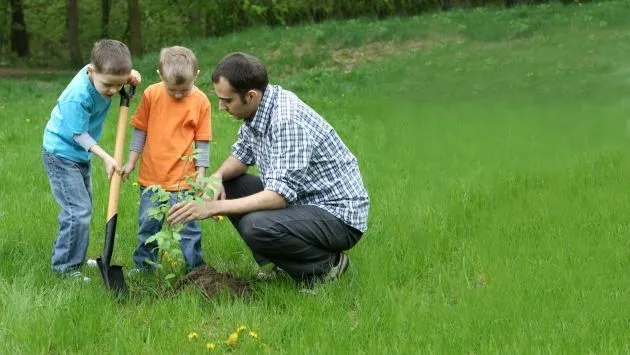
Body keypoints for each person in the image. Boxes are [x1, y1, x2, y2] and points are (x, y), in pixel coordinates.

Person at [167, 52, 369, 284]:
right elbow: (242, 155)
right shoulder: (260, 109)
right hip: (304, 202)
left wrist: (213, 207)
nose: (221, 107)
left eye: (227, 100)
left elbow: (279, 197)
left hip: (337, 216)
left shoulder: (287, 121)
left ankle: (326, 266)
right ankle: (288, 264)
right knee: (230, 183)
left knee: (255, 225)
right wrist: (216, 177)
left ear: (251, 96)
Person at [42, 39, 141, 281]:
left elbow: (118, 75)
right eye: (108, 85)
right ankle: (64, 268)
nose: (113, 91)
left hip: (77, 155)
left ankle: (74, 258)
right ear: (91, 72)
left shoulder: (105, 72)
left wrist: (131, 77)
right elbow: (78, 135)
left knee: (83, 208)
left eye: (119, 85)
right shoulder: (78, 96)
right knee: (78, 210)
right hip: (61, 153)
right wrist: (106, 157)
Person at [122, 46, 212, 273]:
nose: (179, 95)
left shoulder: (201, 102)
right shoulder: (151, 94)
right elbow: (140, 131)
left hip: (184, 181)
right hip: (151, 179)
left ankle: (196, 270)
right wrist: (131, 162)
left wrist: (200, 177)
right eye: (173, 90)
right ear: (160, 76)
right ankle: (144, 267)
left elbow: (202, 143)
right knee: (148, 226)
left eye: (185, 89)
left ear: (196, 75)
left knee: (188, 229)